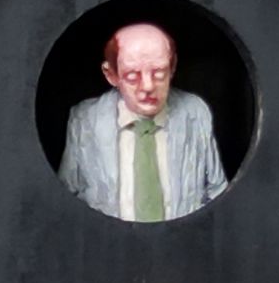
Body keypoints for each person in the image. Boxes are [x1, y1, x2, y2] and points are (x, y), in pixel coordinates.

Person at [57, 21, 226, 222]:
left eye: (159, 73)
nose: (147, 86)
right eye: (132, 76)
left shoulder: (195, 112)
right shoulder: (85, 119)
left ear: (173, 66)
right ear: (111, 74)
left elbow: (218, 191)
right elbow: (65, 195)